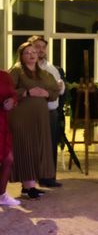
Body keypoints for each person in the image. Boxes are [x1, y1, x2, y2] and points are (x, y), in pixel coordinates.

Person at [8, 42, 59, 199]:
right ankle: (29, 187)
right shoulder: (17, 71)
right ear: (21, 56)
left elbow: (55, 91)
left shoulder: (44, 73)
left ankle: (28, 185)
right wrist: (27, 92)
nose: (31, 55)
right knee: (25, 147)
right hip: (21, 116)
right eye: (27, 53)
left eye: (33, 52)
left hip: (40, 116)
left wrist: (47, 93)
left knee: (37, 147)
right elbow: (7, 90)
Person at [28, 35, 66, 187]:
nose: (41, 50)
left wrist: (60, 87)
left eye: (43, 47)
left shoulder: (52, 68)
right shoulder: (23, 68)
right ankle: (30, 180)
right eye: (37, 47)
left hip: (50, 113)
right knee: (31, 147)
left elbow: (60, 91)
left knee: (50, 146)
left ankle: (48, 177)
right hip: (30, 113)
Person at [0, 70, 19, 206]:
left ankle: (1, 195)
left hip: (2, 122)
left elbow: (13, 94)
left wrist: (12, 100)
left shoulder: (4, 75)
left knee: (8, 158)